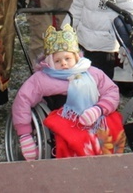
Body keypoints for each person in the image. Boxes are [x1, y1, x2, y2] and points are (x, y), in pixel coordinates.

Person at [12, 24, 125, 160]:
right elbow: (22, 100)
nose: (64, 64)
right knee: (76, 139)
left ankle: (107, 162)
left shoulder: (91, 72)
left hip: (95, 113)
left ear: (76, 57)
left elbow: (111, 91)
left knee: (114, 124)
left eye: (67, 59)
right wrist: (25, 135)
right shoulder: (41, 79)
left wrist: (99, 109)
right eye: (58, 61)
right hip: (63, 116)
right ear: (50, 62)